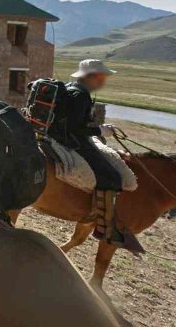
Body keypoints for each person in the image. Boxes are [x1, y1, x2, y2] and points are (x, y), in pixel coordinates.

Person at [49, 59, 143, 253]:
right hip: (73, 141)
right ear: (90, 76)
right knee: (113, 177)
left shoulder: (71, 88)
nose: (103, 81)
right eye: (101, 77)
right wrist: (100, 130)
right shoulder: (80, 95)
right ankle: (104, 225)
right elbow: (75, 127)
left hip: (62, 136)